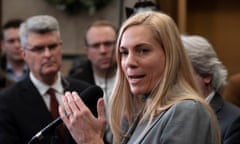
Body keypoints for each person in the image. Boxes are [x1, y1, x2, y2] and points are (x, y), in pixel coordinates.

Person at [59, 11, 221, 144]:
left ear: (170, 55)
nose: (129, 62)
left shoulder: (188, 111)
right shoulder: (140, 112)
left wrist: (91, 141)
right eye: (124, 52)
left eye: (143, 50)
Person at [0, 15, 93, 144]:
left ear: (61, 47)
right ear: (24, 54)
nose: (48, 54)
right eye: (39, 49)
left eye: (53, 46)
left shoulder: (85, 92)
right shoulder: (7, 101)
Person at [182, 35, 240, 144]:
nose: (174, 82)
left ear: (206, 76)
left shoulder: (233, 122)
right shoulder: (169, 115)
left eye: (181, 74)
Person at [69, 20, 117, 143]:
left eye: (108, 44)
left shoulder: (134, 76)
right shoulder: (74, 83)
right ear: (87, 52)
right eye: (96, 45)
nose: (103, 50)